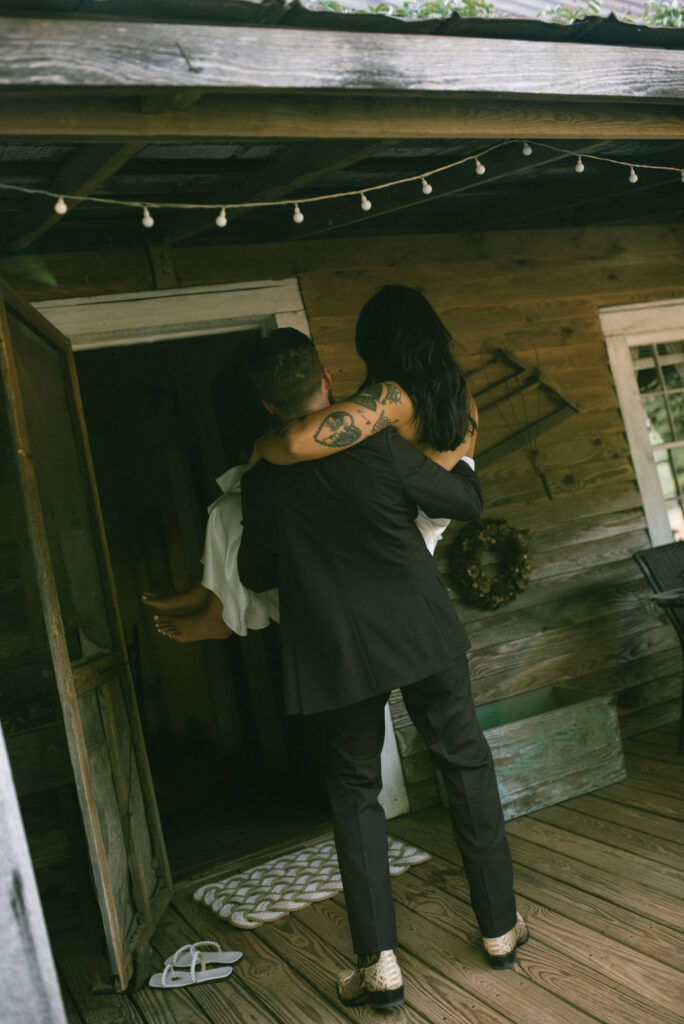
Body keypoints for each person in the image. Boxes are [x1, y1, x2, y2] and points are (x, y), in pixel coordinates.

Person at [238, 315, 527, 1011]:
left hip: (334, 651)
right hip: (420, 632)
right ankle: (498, 930)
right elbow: (462, 498)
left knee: (354, 795)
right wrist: (461, 445)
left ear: (269, 406)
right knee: (464, 762)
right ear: (329, 382)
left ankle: (379, 965)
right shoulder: (377, 448)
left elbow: (254, 569)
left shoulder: (263, 477)